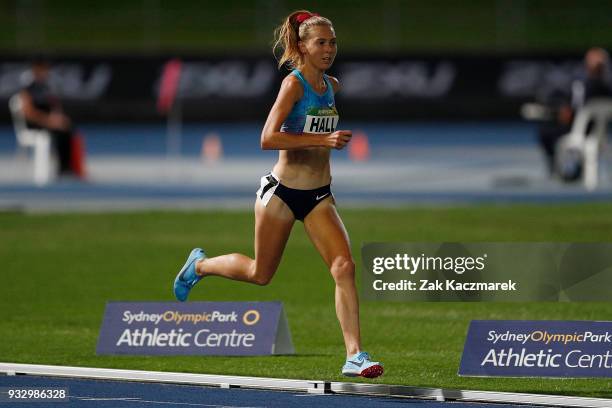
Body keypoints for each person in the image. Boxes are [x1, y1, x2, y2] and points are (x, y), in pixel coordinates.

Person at [173, 10, 384, 378]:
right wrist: (324, 139)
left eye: (333, 42)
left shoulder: (331, 84)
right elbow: (267, 138)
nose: (329, 49)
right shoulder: (294, 85)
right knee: (260, 273)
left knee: (344, 267)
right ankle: (200, 266)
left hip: (320, 195)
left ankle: (355, 355)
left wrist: (324, 143)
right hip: (282, 194)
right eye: (321, 42)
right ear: (302, 46)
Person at [537, 47, 612, 178]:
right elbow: (572, 103)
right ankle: (559, 167)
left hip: (588, 127)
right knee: (546, 131)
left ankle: (569, 168)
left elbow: (584, 104)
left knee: (548, 132)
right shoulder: (582, 82)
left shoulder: (600, 83)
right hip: (582, 126)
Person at [20, 59, 77, 177]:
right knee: (60, 131)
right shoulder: (28, 90)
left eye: (46, 70)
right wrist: (48, 121)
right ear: (35, 71)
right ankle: (64, 168)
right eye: (42, 70)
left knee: (68, 128)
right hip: (34, 124)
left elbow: (55, 107)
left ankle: (67, 167)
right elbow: (28, 113)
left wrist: (59, 119)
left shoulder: (48, 88)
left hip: (49, 123)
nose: (45, 73)